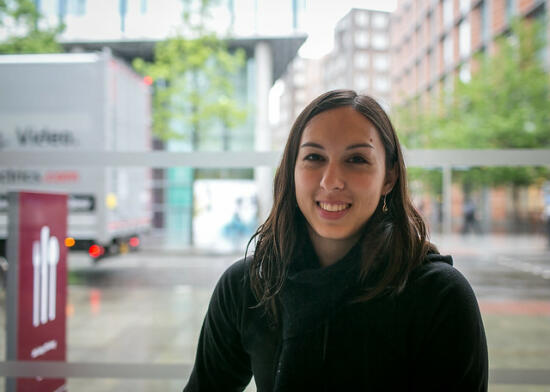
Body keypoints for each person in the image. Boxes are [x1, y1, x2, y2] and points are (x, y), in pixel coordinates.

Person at [183, 90, 488, 391]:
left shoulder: (439, 296)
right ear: (291, 170)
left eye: (356, 159)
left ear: (389, 178)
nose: (331, 181)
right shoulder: (247, 285)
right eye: (314, 157)